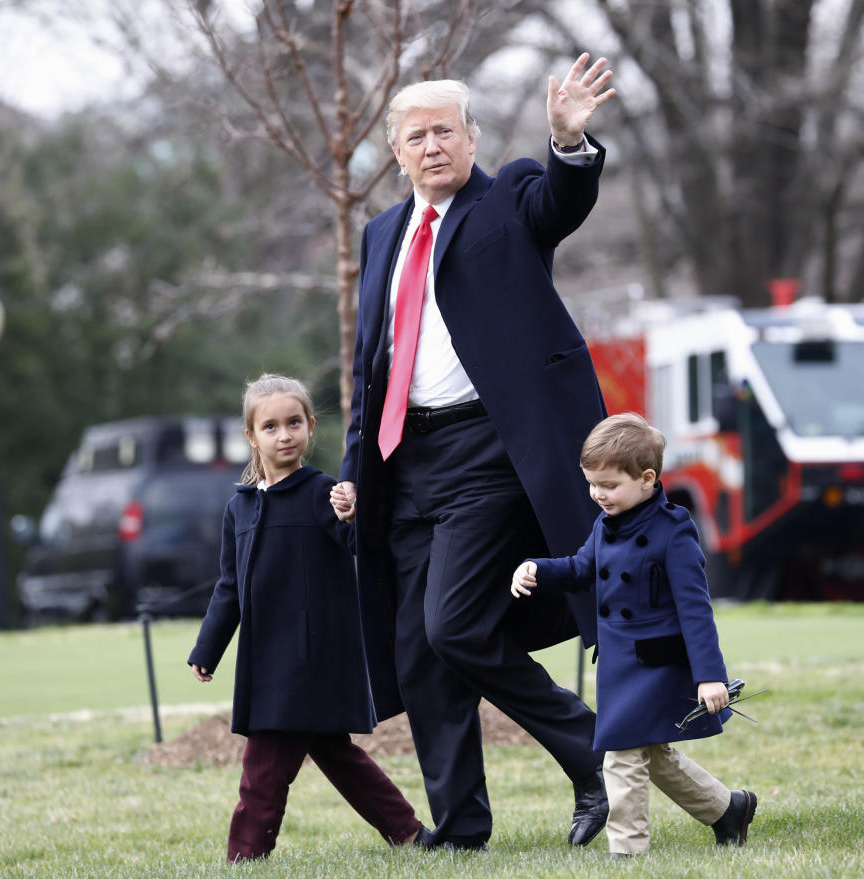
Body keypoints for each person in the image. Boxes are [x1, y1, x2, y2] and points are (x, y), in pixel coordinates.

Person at [329, 54, 615, 850]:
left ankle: (593, 749)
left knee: (454, 623)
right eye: (415, 136)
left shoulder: (509, 200)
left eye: (444, 131)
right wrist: (356, 469)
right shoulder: (382, 232)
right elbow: (370, 364)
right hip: (403, 460)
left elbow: (562, 200)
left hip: (490, 453)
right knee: (419, 650)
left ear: (472, 137)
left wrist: (568, 142)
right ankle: (460, 830)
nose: (431, 147)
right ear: (396, 150)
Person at [188, 374, 424, 863]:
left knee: (265, 763)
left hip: (312, 657)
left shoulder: (325, 495)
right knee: (336, 754)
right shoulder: (241, 507)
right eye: (270, 427)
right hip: (268, 658)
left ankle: (245, 857)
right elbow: (230, 586)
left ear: (311, 427)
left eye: (294, 423)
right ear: (252, 436)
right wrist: (208, 647)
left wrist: (351, 517)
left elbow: (360, 549)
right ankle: (408, 833)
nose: (284, 435)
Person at [510, 413, 758, 858]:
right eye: (592, 484)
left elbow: (695, 609)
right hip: (620, 663)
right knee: (652, 754)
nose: (598, 495)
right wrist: (537, 569)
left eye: (608, 485)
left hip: (659, 663)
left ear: (647, 479)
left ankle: (627, 853)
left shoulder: (674, 531)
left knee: (621, 756)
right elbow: (580, 569)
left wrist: (710, 676)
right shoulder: (605, 526)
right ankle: (728, 809)